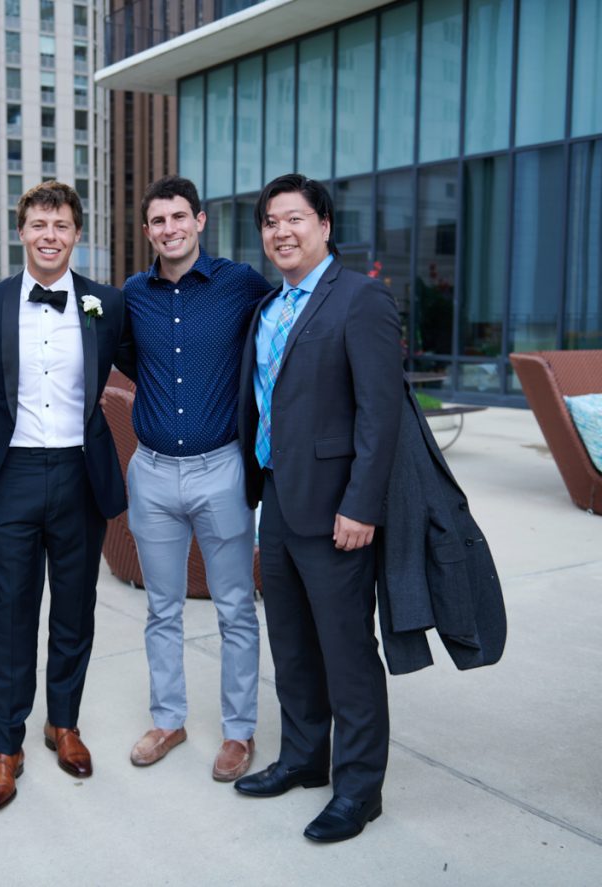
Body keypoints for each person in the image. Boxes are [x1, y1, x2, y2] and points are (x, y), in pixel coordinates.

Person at [234, 174, 403, 843]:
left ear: (325, 225)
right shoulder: (269, 309)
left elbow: (379, 414)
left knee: (347, 652)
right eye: (270, 221)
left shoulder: (359, 299)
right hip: (276, 499)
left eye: (295, 218)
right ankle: (304, 758)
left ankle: (359, 789)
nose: (282, 231)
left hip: (338, 511)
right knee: (294, 645)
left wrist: (361, 504)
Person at [0, 181, 126, 811]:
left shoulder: (106, 304)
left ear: (77, 233)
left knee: (75, 608)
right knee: (9, 612)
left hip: (79, 476)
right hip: (9, 478)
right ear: (22, 231)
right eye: (38, 224)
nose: (50, 235)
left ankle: (64, 723)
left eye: (61, 225)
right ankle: (6, 745)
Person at [118, 175, 271, 782]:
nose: (170, 229)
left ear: (200, 221)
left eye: (179, 217)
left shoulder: (240, 284)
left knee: (235, 607)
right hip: (152, 473)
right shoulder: (133, 293)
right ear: (149, 231)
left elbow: (281, 332)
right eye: (158, 221)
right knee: (162, 608)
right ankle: (168, 719)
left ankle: (239, 733)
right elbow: (128, 357)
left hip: (221, 470)